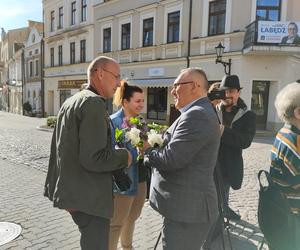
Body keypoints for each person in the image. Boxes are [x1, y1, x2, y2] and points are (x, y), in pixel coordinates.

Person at [44, 56, 132, 250]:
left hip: (75, 191)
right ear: (100, 74)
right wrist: (124, 156)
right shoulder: (92, 103)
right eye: (116, 77)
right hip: (89, 196)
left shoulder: (73, 100)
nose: (119, 84)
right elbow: (93, 158)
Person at [144, 68, 221, 250]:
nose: (172, 91)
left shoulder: (197, 114)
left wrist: (147, 152)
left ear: (194, 86)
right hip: (185, 210)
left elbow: (172, 159)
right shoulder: (195, 111)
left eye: (176, 86)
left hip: (188, 212)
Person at [109, 81, 147, 250]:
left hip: (141, 177)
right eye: (137, 101)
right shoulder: (113, 122)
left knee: (132, 217)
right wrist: (133, 152)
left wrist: (150, 146)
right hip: (124, 180)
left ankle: (127, 247)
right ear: (125, 102)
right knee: (116, 223)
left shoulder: (140, 121)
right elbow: (112, 154)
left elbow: (146, 146)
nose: (141, 105)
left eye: (142, 101)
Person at [215, 75, 256, 220]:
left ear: (238, 92)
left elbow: (245, 141)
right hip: (209, 161)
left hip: (229, 163)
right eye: (224, 91)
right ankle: (221, 213)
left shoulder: (248, 116)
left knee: (223, 191)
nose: (227, 95)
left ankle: (221, 217)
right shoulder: (213, 110)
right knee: (213, 194)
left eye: (231, 91)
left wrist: (223, 131)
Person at [269, 82, 300, 250]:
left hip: (284, 209)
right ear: (298, 112)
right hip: (293, 215)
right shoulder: (295, 141)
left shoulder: (285, 131)